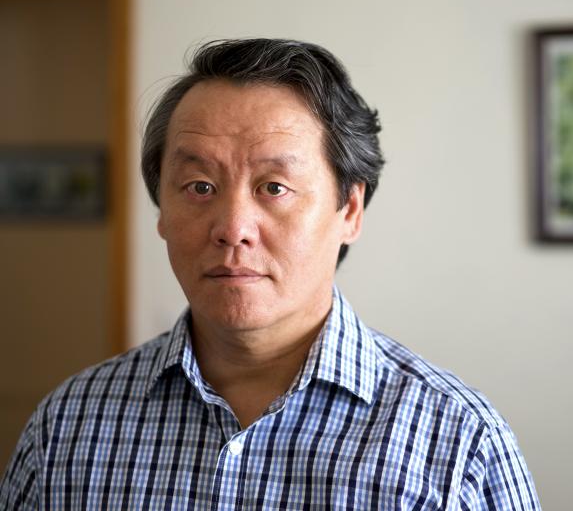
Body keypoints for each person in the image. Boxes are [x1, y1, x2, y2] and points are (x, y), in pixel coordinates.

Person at [0, 38, 541, 509]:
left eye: (274, 188)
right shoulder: (69, 426)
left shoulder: (456, 443)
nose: (233, 228)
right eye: (199, 187)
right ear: (160, 211)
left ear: (349, 210)